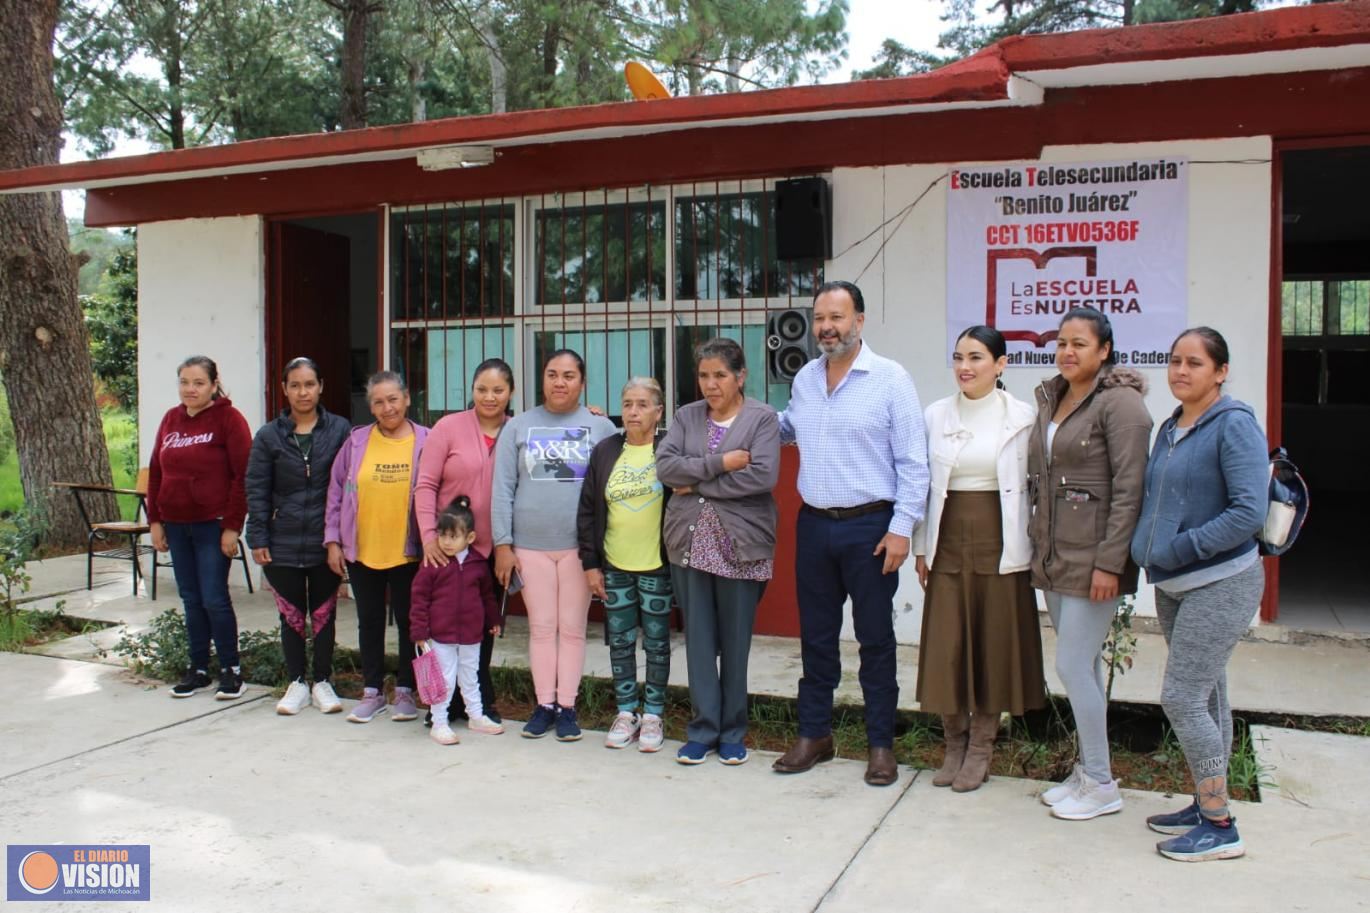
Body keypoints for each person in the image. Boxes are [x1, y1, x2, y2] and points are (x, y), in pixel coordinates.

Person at [772, 280, 928, 787]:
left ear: (859, 320)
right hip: (815, 526)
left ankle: (880, 746)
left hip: (870, 529)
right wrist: (732, 415)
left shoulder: (890, 379)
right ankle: (814, 735)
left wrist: (902, 529)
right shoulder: (805, 380)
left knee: (876, 642)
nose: (826, 327)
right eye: (820, 318)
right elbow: (789, 428)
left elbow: (914, 463)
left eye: (837, 317)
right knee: (816, 639)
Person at [1131, 327, 1267, 862]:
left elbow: (1247, 512)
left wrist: (1182, 548)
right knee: (1209, 694)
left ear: (1220, 371)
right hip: (1176, 584)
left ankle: (1220, 824)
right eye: (1174, 361)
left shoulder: (1233, 426)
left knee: (1181, 697)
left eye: (1195, 362)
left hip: (1222, 581)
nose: (1181, 371)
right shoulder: (1171, 427)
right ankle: (1205, 798)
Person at [1029, 307, 1152, 820]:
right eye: (1061, 342)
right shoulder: (1054, 396)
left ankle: (1102, 783)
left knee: (1072, 664)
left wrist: (1111, 563)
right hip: (1056, 552)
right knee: (1084, 668)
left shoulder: (1120, 404)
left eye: (1079, 343)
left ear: (1104, 351)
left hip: (1094, 558)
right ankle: (1088, 771)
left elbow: (1130, 490)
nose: (1067, 352)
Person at [914, 326, 1046, 791]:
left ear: (1001, 364)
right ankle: (953, 744)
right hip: (947, 538)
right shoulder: (935, 414)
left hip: (1000, 539)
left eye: (976, 357)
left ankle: (982, 748)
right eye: (958, 358)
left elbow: (1037, 487)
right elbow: (921, 483)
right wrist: (921, 546)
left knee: (993, 643)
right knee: (949, 644)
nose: (965, 367)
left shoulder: (1023, 417)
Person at [657, 342, 780, 766]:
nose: (711, 385)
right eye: (704, 376)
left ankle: (732, 732)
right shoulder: (686, 416)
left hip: (740, 546)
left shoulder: (762, 418)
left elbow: (762, 476)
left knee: (735, 642)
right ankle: (702, 730)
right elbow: (666, 468)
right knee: (699, 641)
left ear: (740, 376)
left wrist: (697, 483)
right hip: (688, 544)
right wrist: (721, 463)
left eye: (720, 376)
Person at [491, 349, 616, 741]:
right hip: (530, 546)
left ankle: (568, 708)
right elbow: (503, 488)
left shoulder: (600, 428)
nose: (559, 382)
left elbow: (616, 485)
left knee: (573, 629)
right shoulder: (519, 426)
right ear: (541, 379)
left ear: (582, 383)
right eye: (551, 374)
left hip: (580, 550)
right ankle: (544, 705)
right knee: (542, 628)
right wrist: (503, 543)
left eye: (568, 376)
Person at [246, 357, 352, 716]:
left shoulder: (340, 430)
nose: (303, 392)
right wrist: (258, 536)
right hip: (282, 540)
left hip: (327, 542)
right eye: (295, 385)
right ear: (285, 389)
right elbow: (257, 488)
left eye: (309, 384)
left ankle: (322, 681)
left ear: (320, 385)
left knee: (324, 614)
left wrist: (343, 537)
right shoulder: (268, 436)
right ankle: (296, 682)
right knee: (290, 616)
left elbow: (349, 487)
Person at [414, 358, 516, 726]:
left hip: (492, 549)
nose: (489, 397)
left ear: (511, 393)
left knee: (479, 629)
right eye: (482, 389)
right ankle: (440, 705)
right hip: (447, 548)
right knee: (440, 628)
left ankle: (476, 703)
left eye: (498, 390)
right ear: (472, 390)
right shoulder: (448, 427)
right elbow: (425, 485)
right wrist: (429, 537)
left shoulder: (518, 430)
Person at [324, 371, 430, 724]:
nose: (387, 408)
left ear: (407, 399)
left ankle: (405, 690)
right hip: (363, 548)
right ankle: (371, 691)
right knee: (368, 621)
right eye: (379, 402)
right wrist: (333, 540)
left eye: (393, 399)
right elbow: (336, 492)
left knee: (408, 621)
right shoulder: (356, 442)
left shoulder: (426, 440)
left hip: (408, 551)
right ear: (371, 406)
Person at [148, 355, 253, 700]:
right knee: (191, 598)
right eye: (184, 382)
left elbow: (243, 477)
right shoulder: (170, 419)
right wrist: (155, 520)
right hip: (176, 526)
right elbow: (156, 472)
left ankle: (230, 669)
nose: (190, 389)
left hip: (213, 525)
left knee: (214, 598)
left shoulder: (229, 419)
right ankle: (198, 669)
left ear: (213, 384)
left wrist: (232, 526)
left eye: (198, 383)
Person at [577, 377, 673, 753]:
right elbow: (587, 510)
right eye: (628, 403)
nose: (633, 411)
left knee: (657, 643)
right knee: (619, 641)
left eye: (643, 404)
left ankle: (653, 714)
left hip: (656, 566)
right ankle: (627, 710)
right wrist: (590, 564)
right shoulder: (605, 451)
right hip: (614, 565)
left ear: (658, 411)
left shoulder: (669, 449)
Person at [410, 496, 505, 745]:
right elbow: (419, 599)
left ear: (470, 538)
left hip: (472, 635)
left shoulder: (478, 565)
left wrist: (494, 619)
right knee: (444, 680)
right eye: (442, 535)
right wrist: (419, 631)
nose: (446, 542)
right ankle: (439, 722)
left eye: (453, 536)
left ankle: (476, 716)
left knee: (470, 676)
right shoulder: (432, 564)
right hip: (441, 636)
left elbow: (487, 596)